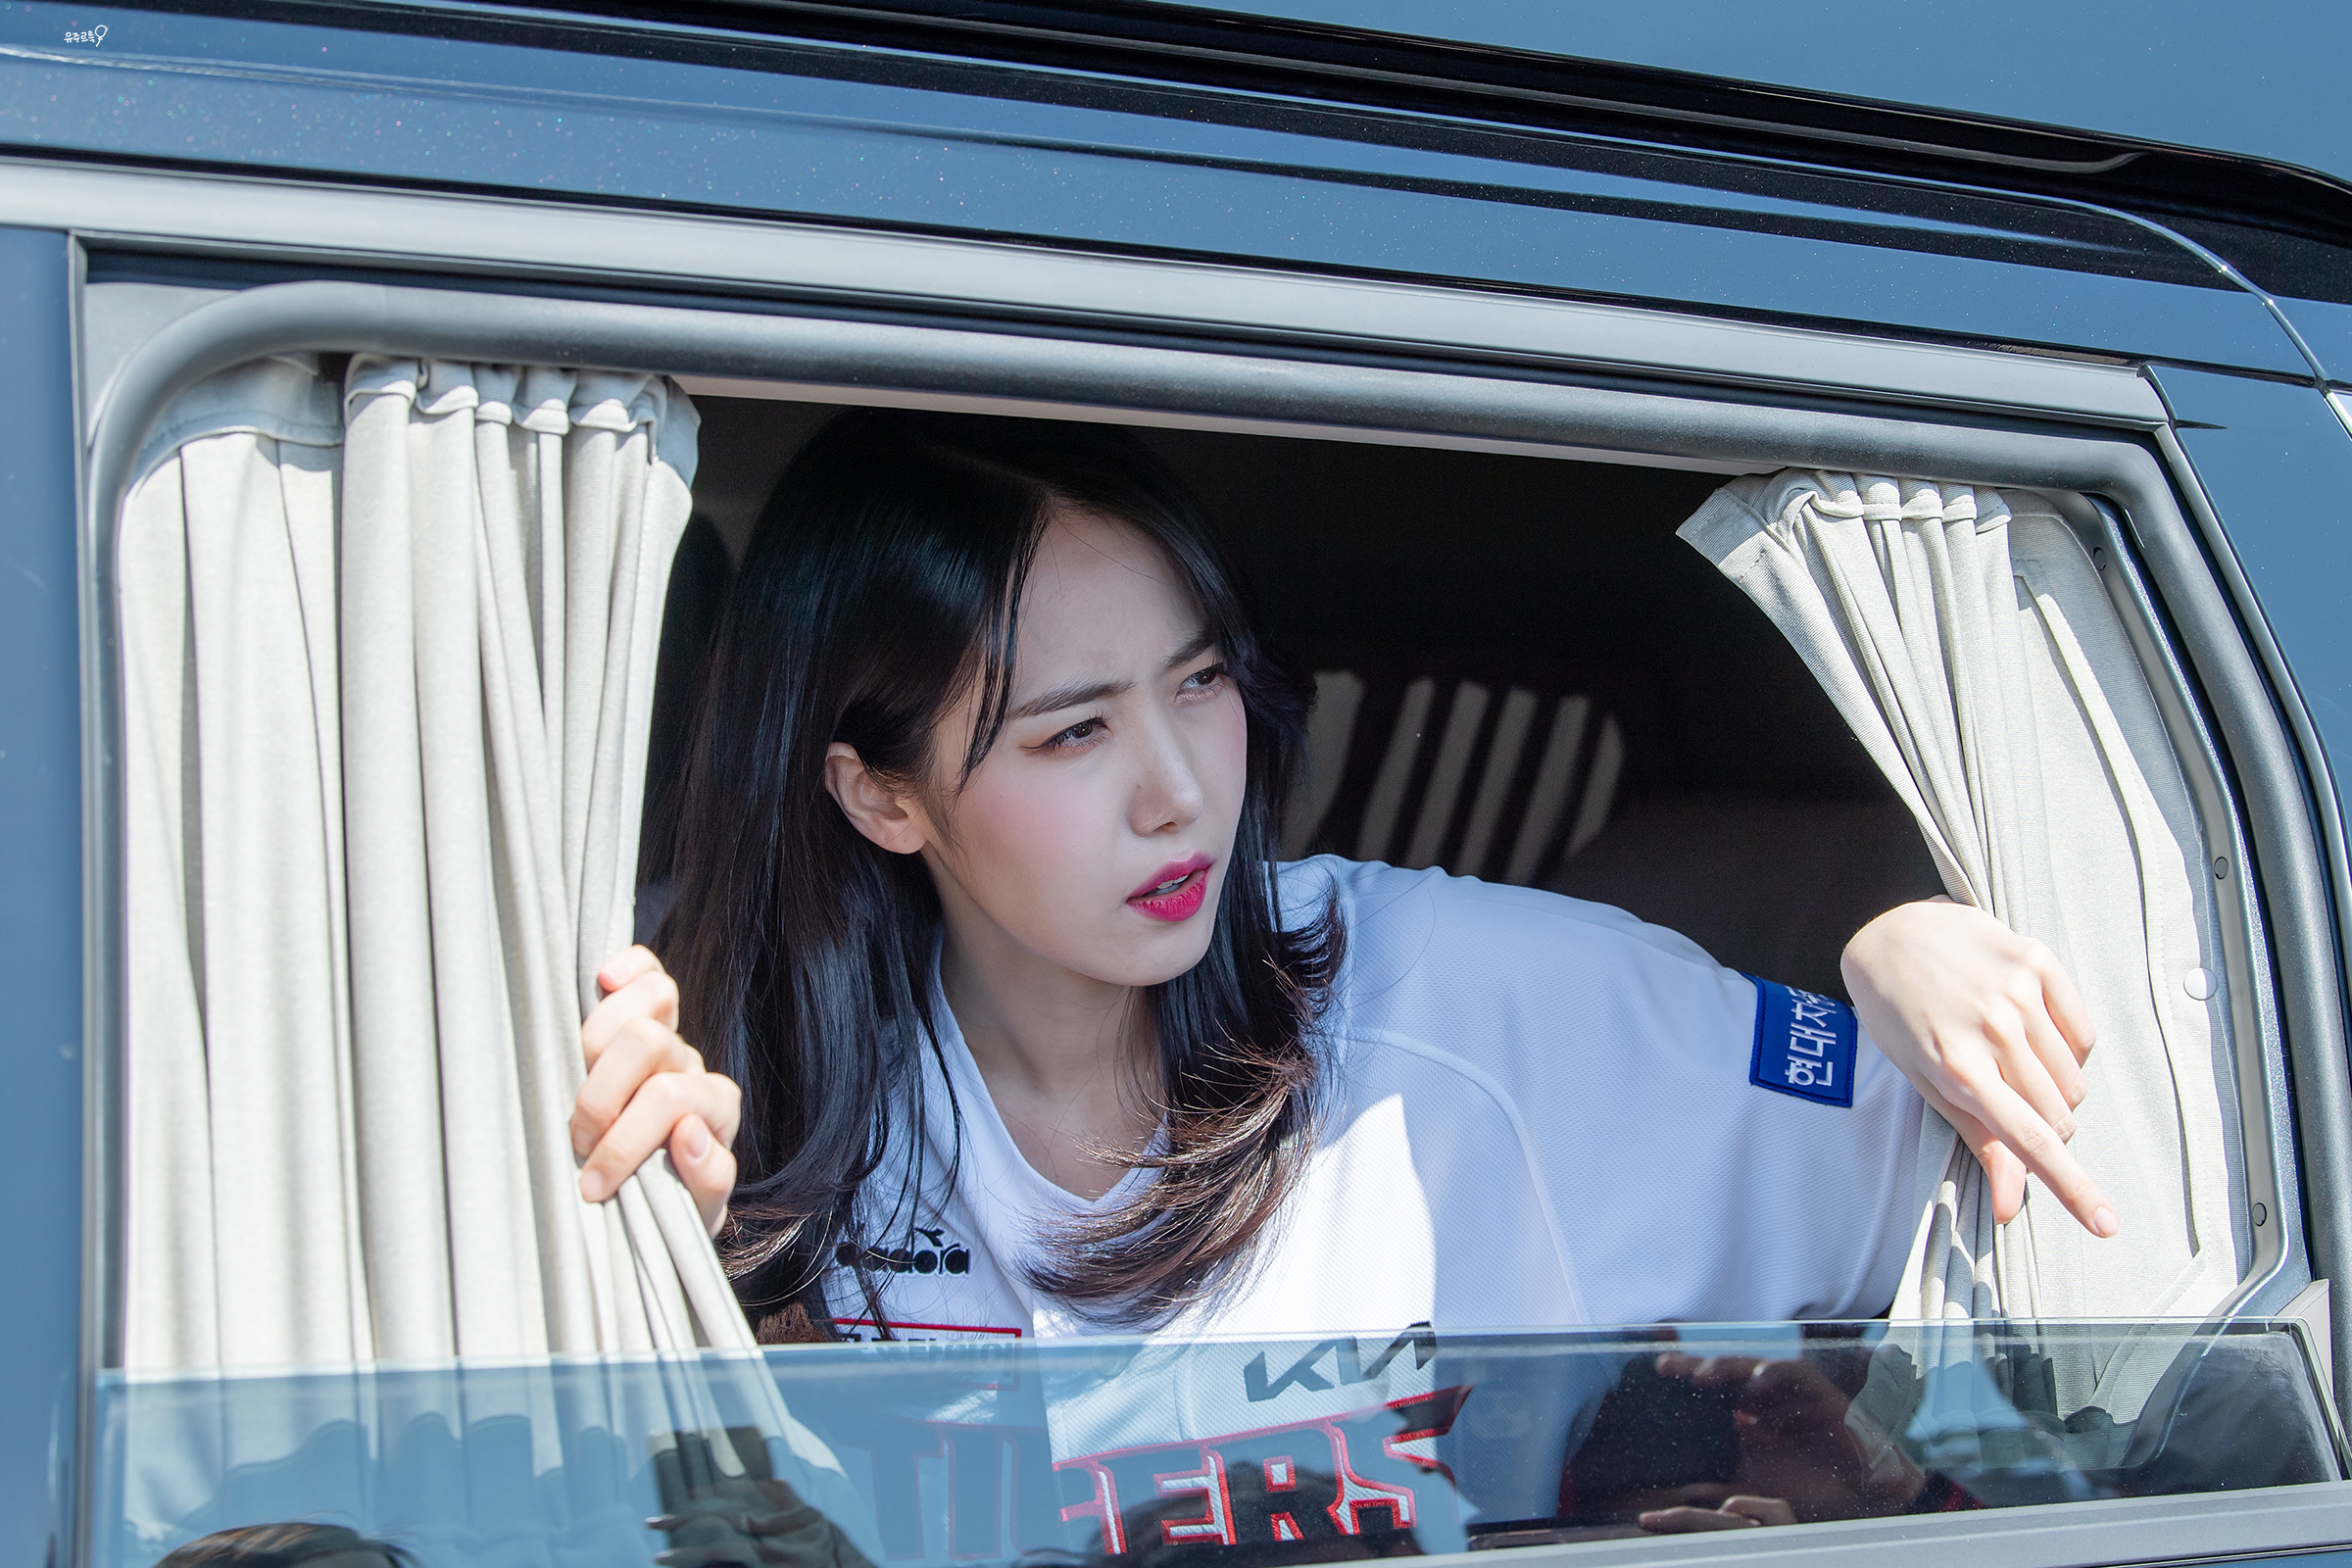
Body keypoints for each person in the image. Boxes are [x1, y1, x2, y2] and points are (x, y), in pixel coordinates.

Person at [565, 410, 2111, 1537]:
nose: (1181, 791)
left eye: (1199, 683)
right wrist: (652, 1263)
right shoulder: (723, 1065)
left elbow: (2033, 1224)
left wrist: (1897, 949)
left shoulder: (1460, 1002)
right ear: (879, 794)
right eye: (1075, 731)